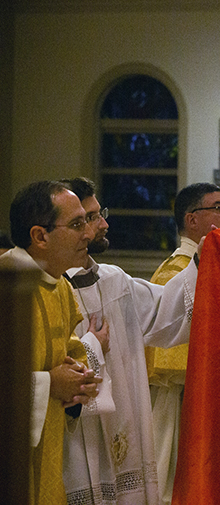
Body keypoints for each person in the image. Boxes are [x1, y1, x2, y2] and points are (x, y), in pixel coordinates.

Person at [59, 178, 199, 505]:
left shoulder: (114, 281)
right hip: (76, 444)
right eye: (90, 218)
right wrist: (93, 347)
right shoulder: (47, 289)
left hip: (122, 435)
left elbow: (168, 312)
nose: (103, 224)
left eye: (99, 214)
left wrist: (201, 262)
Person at [0, 181, 102, 505]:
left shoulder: (59, 287)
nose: (88, 233)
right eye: (76, 224)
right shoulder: (6, 287)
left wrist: (78, 379)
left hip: (47, 466)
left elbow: (68, 349)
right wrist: (49, 384)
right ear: (39, 236)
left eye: (86, 222)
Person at [147, 182, 220, 505]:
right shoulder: (176, 272)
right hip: (180, 403)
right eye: (218, 208)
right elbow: (172, 357)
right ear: (192, 219)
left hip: (208, 399)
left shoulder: (216, 263)